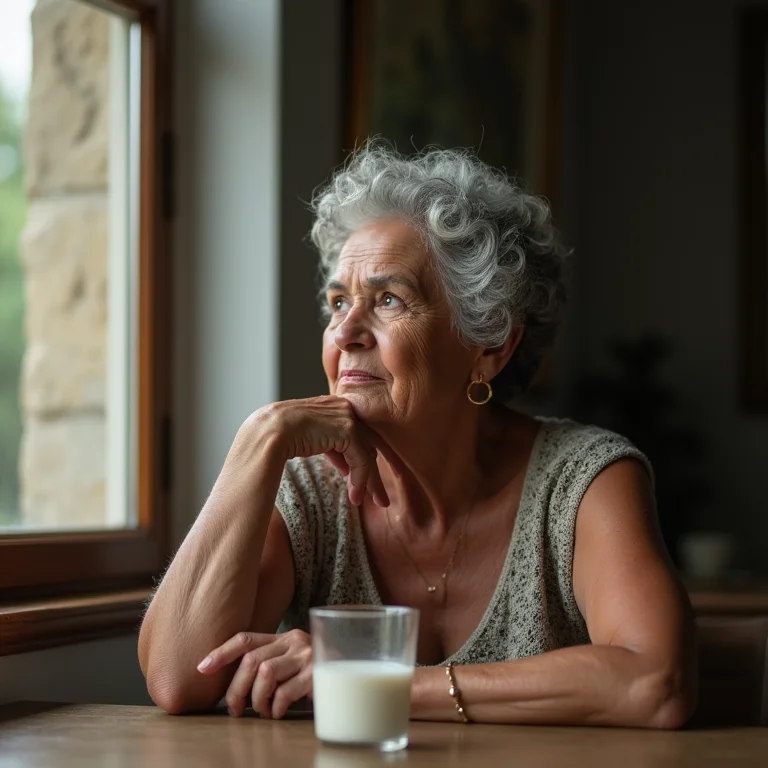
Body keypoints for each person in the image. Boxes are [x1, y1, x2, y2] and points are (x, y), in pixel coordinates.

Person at [138, 144, 696, 728]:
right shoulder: (307, 492)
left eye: (388, 300)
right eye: (338, 302)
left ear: (490, 346)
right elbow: (178, 679)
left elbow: (655, 683)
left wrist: (363, 681)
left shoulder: (583, 481)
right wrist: (260, 438)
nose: (346, 332)